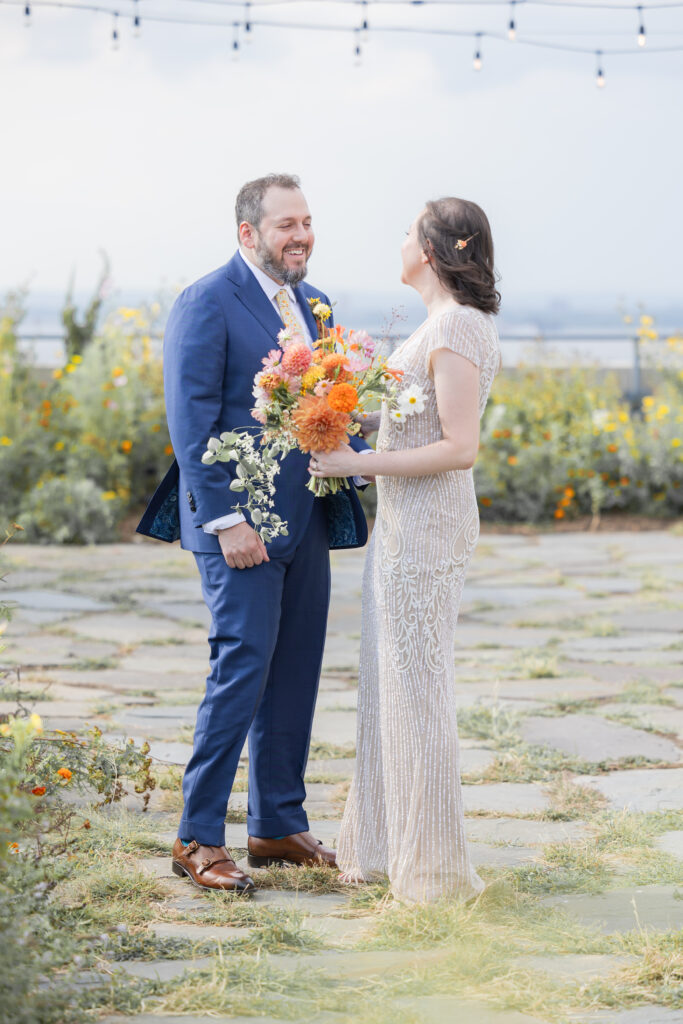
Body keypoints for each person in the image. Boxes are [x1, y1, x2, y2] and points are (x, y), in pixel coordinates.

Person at [137, 173, 370, 893]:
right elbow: (191, 420)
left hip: (306, 515)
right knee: (240, 670)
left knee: (295, 670)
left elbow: (321, 407)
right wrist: (226, 519)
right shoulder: (205, 302)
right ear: (248, 233)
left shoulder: (315, 302)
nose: (299, 236)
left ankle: (275, 825)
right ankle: (195, 836)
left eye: (306, 222)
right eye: (284, 226)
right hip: (237, 526)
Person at [307, 197, 502, 903]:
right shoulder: (442, 324)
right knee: (392, 685)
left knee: (416, 692)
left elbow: (458, 447)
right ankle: (392, 847)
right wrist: (329, 410)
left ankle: (435, 870)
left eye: (405, 233)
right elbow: (414, 418)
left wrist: (354, 465)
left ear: (432, 248)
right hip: (403, 525)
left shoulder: (452, 325)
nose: (396, 243)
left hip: (425, 528)